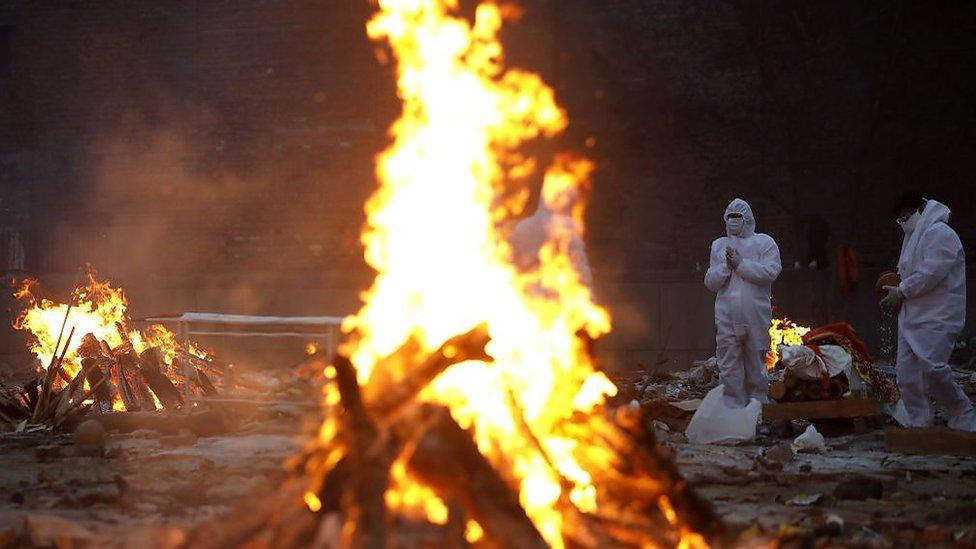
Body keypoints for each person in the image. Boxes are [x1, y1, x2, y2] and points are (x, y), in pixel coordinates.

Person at [881, 193, 975, 430]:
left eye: (906, 216)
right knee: (906, 373)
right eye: (900, 219)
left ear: (921, 208)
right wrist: (897, 288)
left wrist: (902, 290)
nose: (903, 222)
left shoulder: (940, 234)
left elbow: (931, 272)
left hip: (937, 314)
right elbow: (909, 272)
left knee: (933, 369)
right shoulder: (913, 237)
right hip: (912, 314)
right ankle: (919, 422)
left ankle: (962, 413)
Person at [704, 198, 782, 408]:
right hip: (726, 316)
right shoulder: (719, 245)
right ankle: (731, 410)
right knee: (729, 364)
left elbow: (770, 271)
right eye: (730, 216)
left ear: (748, 218)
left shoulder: (764, 243)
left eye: (738, 216)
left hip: (755, 315)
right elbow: (710, 281)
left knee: (756, 364)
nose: (734, 220)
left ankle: (757, 409)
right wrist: (726, 268)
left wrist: (741, 265)